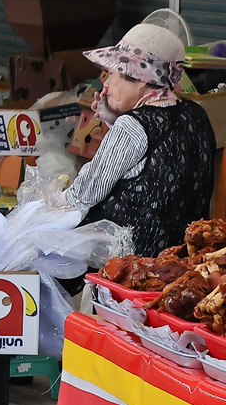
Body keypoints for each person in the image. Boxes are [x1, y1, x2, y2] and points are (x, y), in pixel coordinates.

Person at [50, 18, 216, 255]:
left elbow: (83, 195)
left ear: (140, 79)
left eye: (112, 74)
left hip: (134, 259)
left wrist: (43, 208)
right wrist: (113, 118)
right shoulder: (196, 113)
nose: (105, 86)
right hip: (184, 253)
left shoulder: (133, 125)